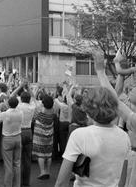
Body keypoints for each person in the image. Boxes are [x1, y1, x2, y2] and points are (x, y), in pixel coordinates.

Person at [55, 52, 131, 187]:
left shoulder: (79, 135)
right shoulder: (125, 137)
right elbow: (122, 181)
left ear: (88, 110)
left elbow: (61, 182)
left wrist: (100, 70)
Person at [0, 96, 23, 187]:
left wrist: (1, 108)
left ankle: (8, 184)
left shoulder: (5, 113)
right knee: (17, 163)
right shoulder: (20, 113)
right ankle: (17, 184)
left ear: (8, 104)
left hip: (7, 139)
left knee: (8, 164)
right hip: (18, 137)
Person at [32, 94, 55, 179]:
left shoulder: (40, 109)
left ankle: (42, 172)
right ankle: (48, 171)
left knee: (40, 153)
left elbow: (33, 97)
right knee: (48, 153)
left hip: (40, 133)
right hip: (49, 133)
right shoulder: (53, 110)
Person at [17, 91, 35, 186]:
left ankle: (18, 181)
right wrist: (29, 89)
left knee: (19, 158)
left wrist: (20, 87)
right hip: (28, 131)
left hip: (19, 131)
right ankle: (26, 181)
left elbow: (10, 96)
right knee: (27, 158)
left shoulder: (18, 106)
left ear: (21, 98)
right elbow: (34, 97)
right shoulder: (32, 107)